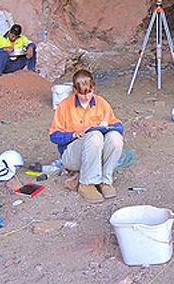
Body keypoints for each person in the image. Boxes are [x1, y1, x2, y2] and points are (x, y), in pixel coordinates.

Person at [49, 69, 124, 204]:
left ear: (93, 87)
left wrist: (107, 126)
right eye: (82, 94)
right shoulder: (65, 106)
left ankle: (104, 181)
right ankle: (87, 184)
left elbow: (119, 127)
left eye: (89, 92)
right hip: (72, 156)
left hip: (96, 153)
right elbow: (54, 136)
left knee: (115, 137)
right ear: (74, 90)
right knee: (94, 135)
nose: (87, 96)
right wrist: (73, 135)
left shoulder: (101, 103)